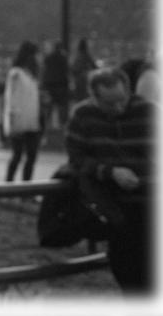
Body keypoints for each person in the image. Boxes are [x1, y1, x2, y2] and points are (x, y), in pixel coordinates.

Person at [64, 67, 155, 293]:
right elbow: (77, 159)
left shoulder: (149, 112)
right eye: (109, 103)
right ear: (94, 98)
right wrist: (108, 171)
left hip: (153, 202)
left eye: (121, 101)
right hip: (118, 207)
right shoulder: (83, 116)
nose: (117, 108)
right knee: (128, 270)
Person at [3, 40, 42, 182]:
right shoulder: (16, 74)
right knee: (17, 155)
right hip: (18, 122)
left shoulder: (31, 75)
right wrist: (12, 121)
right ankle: (8, 185)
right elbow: (11, 99)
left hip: (31, 122)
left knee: (31, 156)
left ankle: (26, 188)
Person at [40, 40, 69, 128]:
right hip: (61, 86)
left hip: (49, 86)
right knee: (61, 108)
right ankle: (62, 126)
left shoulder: (48, 57)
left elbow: (44, 70)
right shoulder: (63, 58)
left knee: (48, 109)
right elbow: (66, 70)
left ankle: (48, 127)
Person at [69, 37, 97, 103]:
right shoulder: (86, 55)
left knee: (78, 97)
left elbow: (72, 68)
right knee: (85, 97)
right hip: (84, 79)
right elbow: (94, 66)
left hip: (77, 79)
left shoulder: (77, 55)